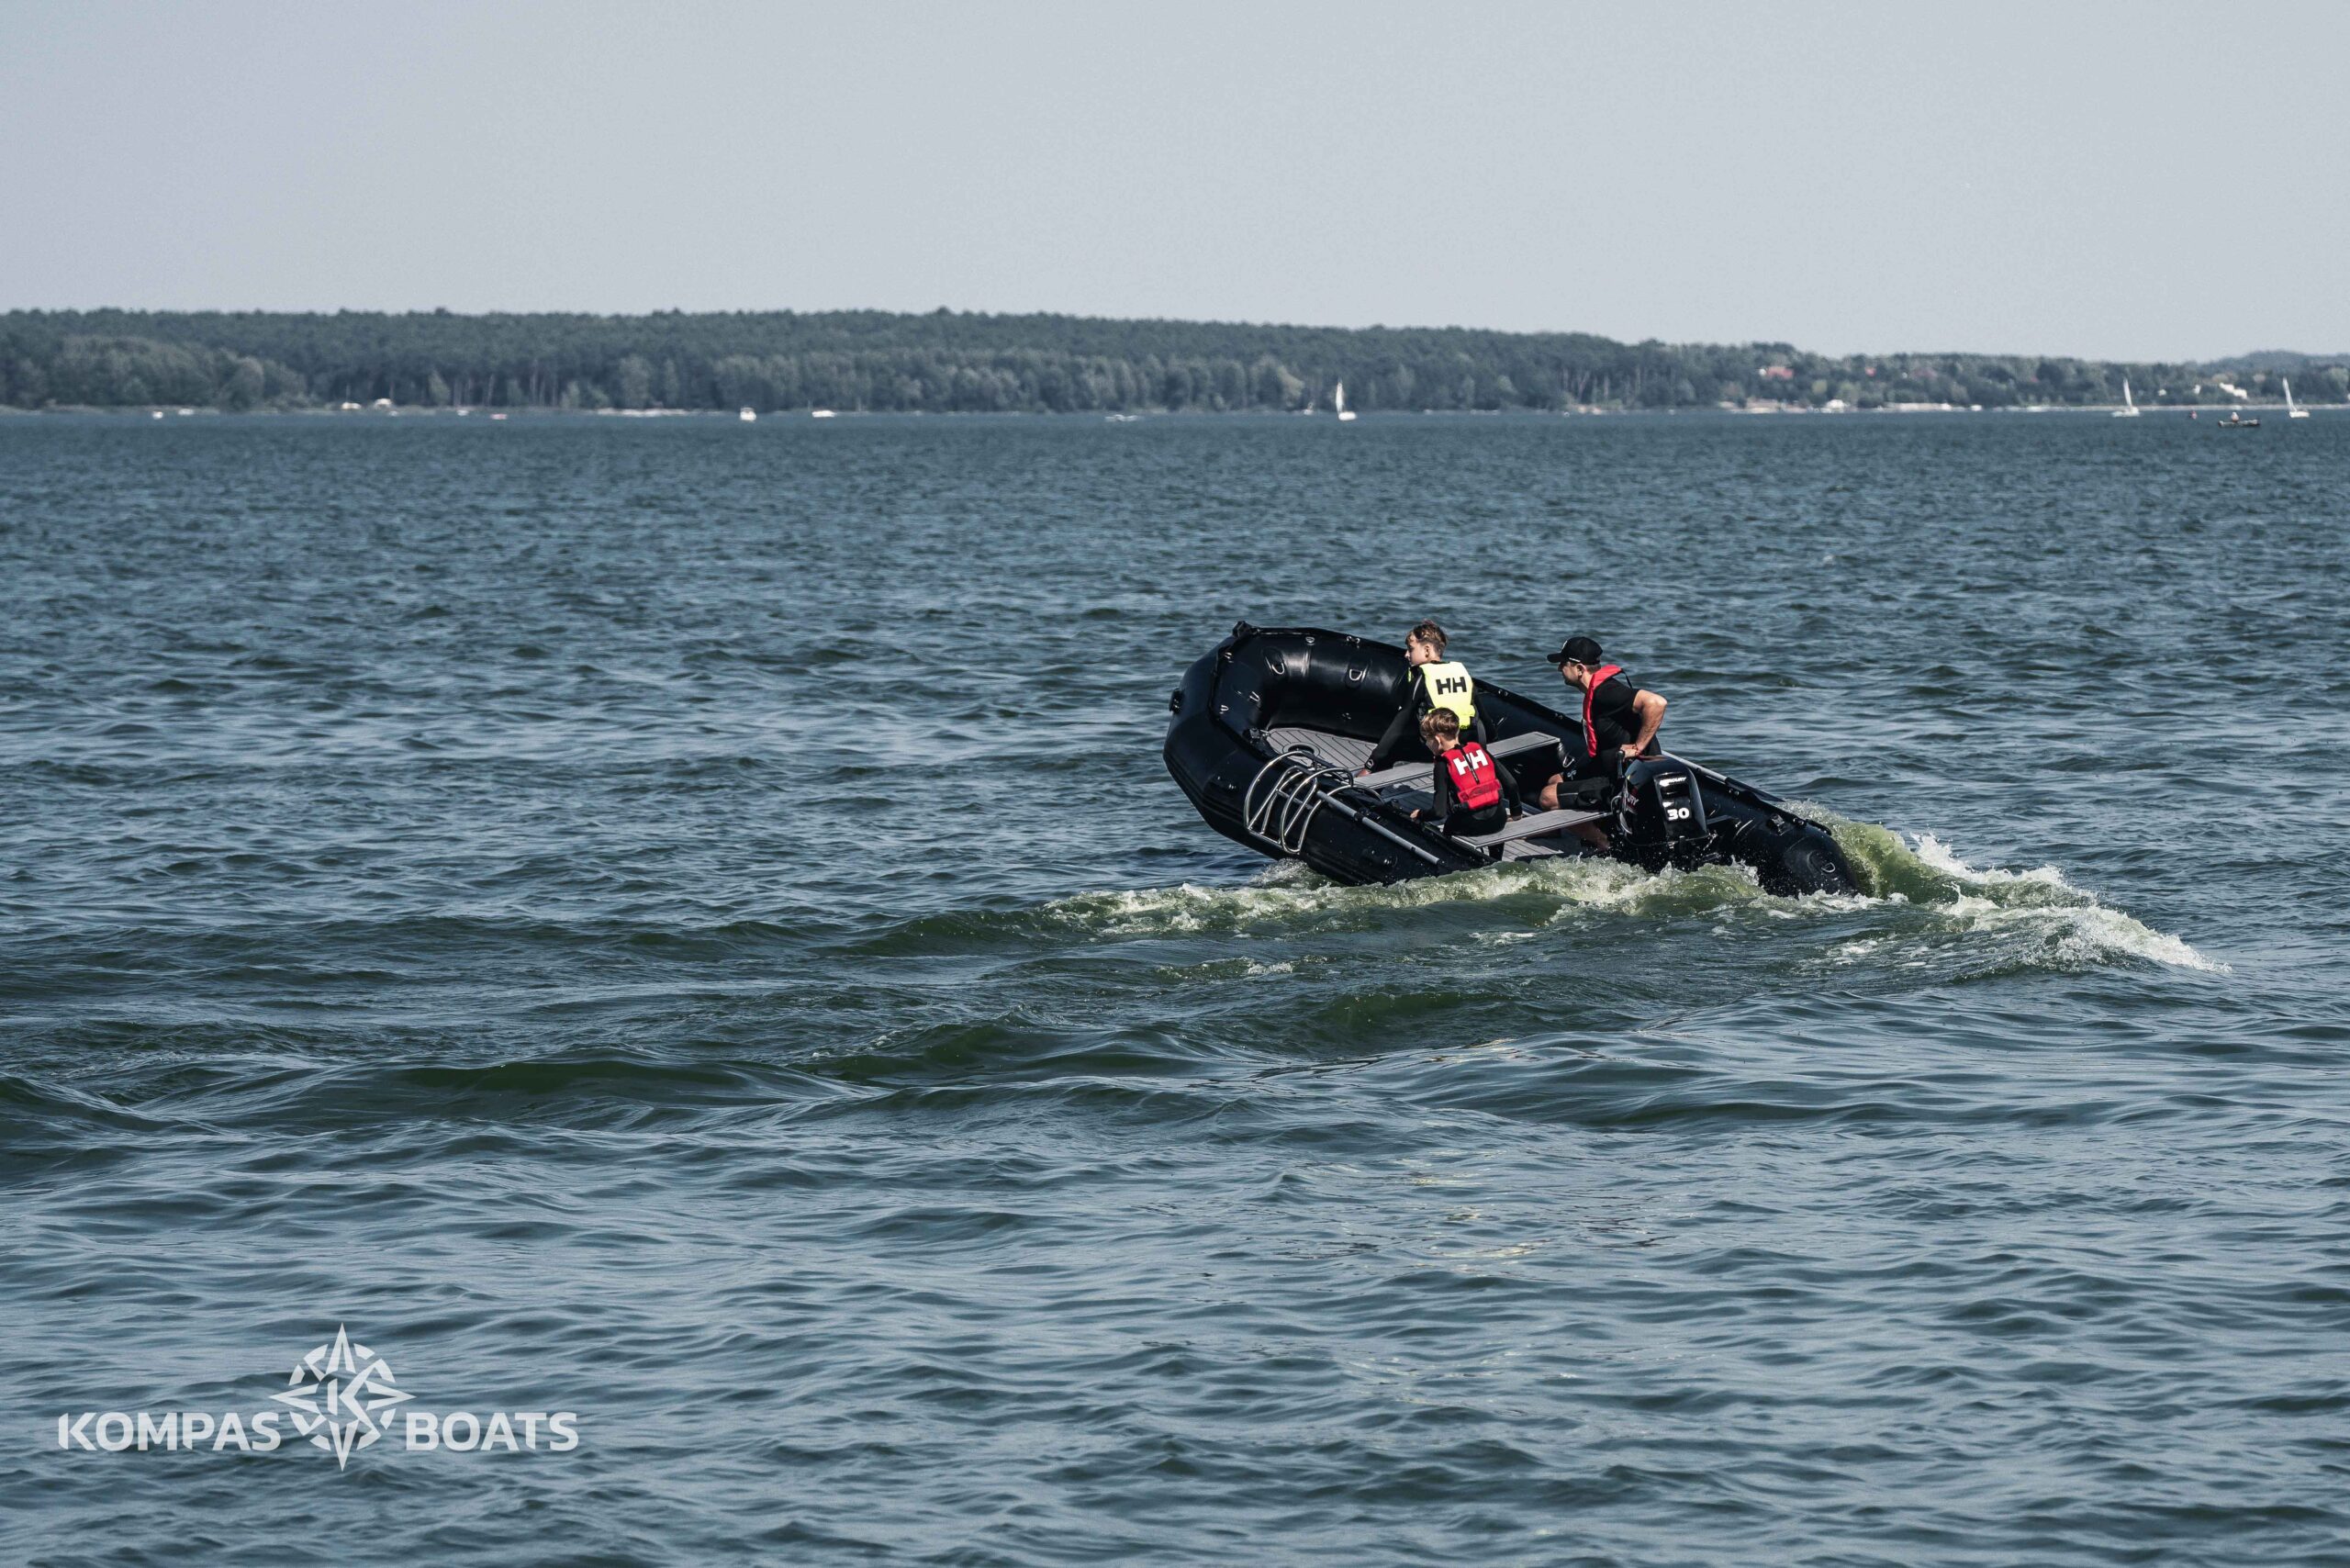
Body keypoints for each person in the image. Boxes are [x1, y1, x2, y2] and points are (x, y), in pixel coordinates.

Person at [1533, 635, 1667, 844]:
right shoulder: (1597, 691)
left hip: (1623, 780)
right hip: (1606, 767)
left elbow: (1656, 703)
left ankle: (1604, 843)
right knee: (1555, 779)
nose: (1559, 668)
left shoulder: (1607, 692)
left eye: (1563, 663)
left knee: (1547, 797)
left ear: (1579, 669)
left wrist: (1638, 746)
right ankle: (1556, 829)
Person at [1361, 619, 1488, 775]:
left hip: (1441, 746)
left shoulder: (1422, 677)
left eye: (1411, 649)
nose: (1406, 654)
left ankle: (1367, 790)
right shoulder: (1460, 672)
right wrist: (1492, 739)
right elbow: (1481, 714)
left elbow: (1401, 721)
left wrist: (1372, 762)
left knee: (1392, 747)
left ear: (1427, 650)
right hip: (1470, 742)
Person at [1408, 708, 1519, 843]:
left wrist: (1420, 814)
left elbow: (1439, 812)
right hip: (1498, 820)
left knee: (1448, 826)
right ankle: (1496, 855)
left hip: (1469, 824)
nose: (1427, 744)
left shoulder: (1442, 763)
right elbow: (1511, 784)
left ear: (1437, 739)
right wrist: (1516, 813)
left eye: (1427, 740)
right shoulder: (1479, 749)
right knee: (1492, 819)